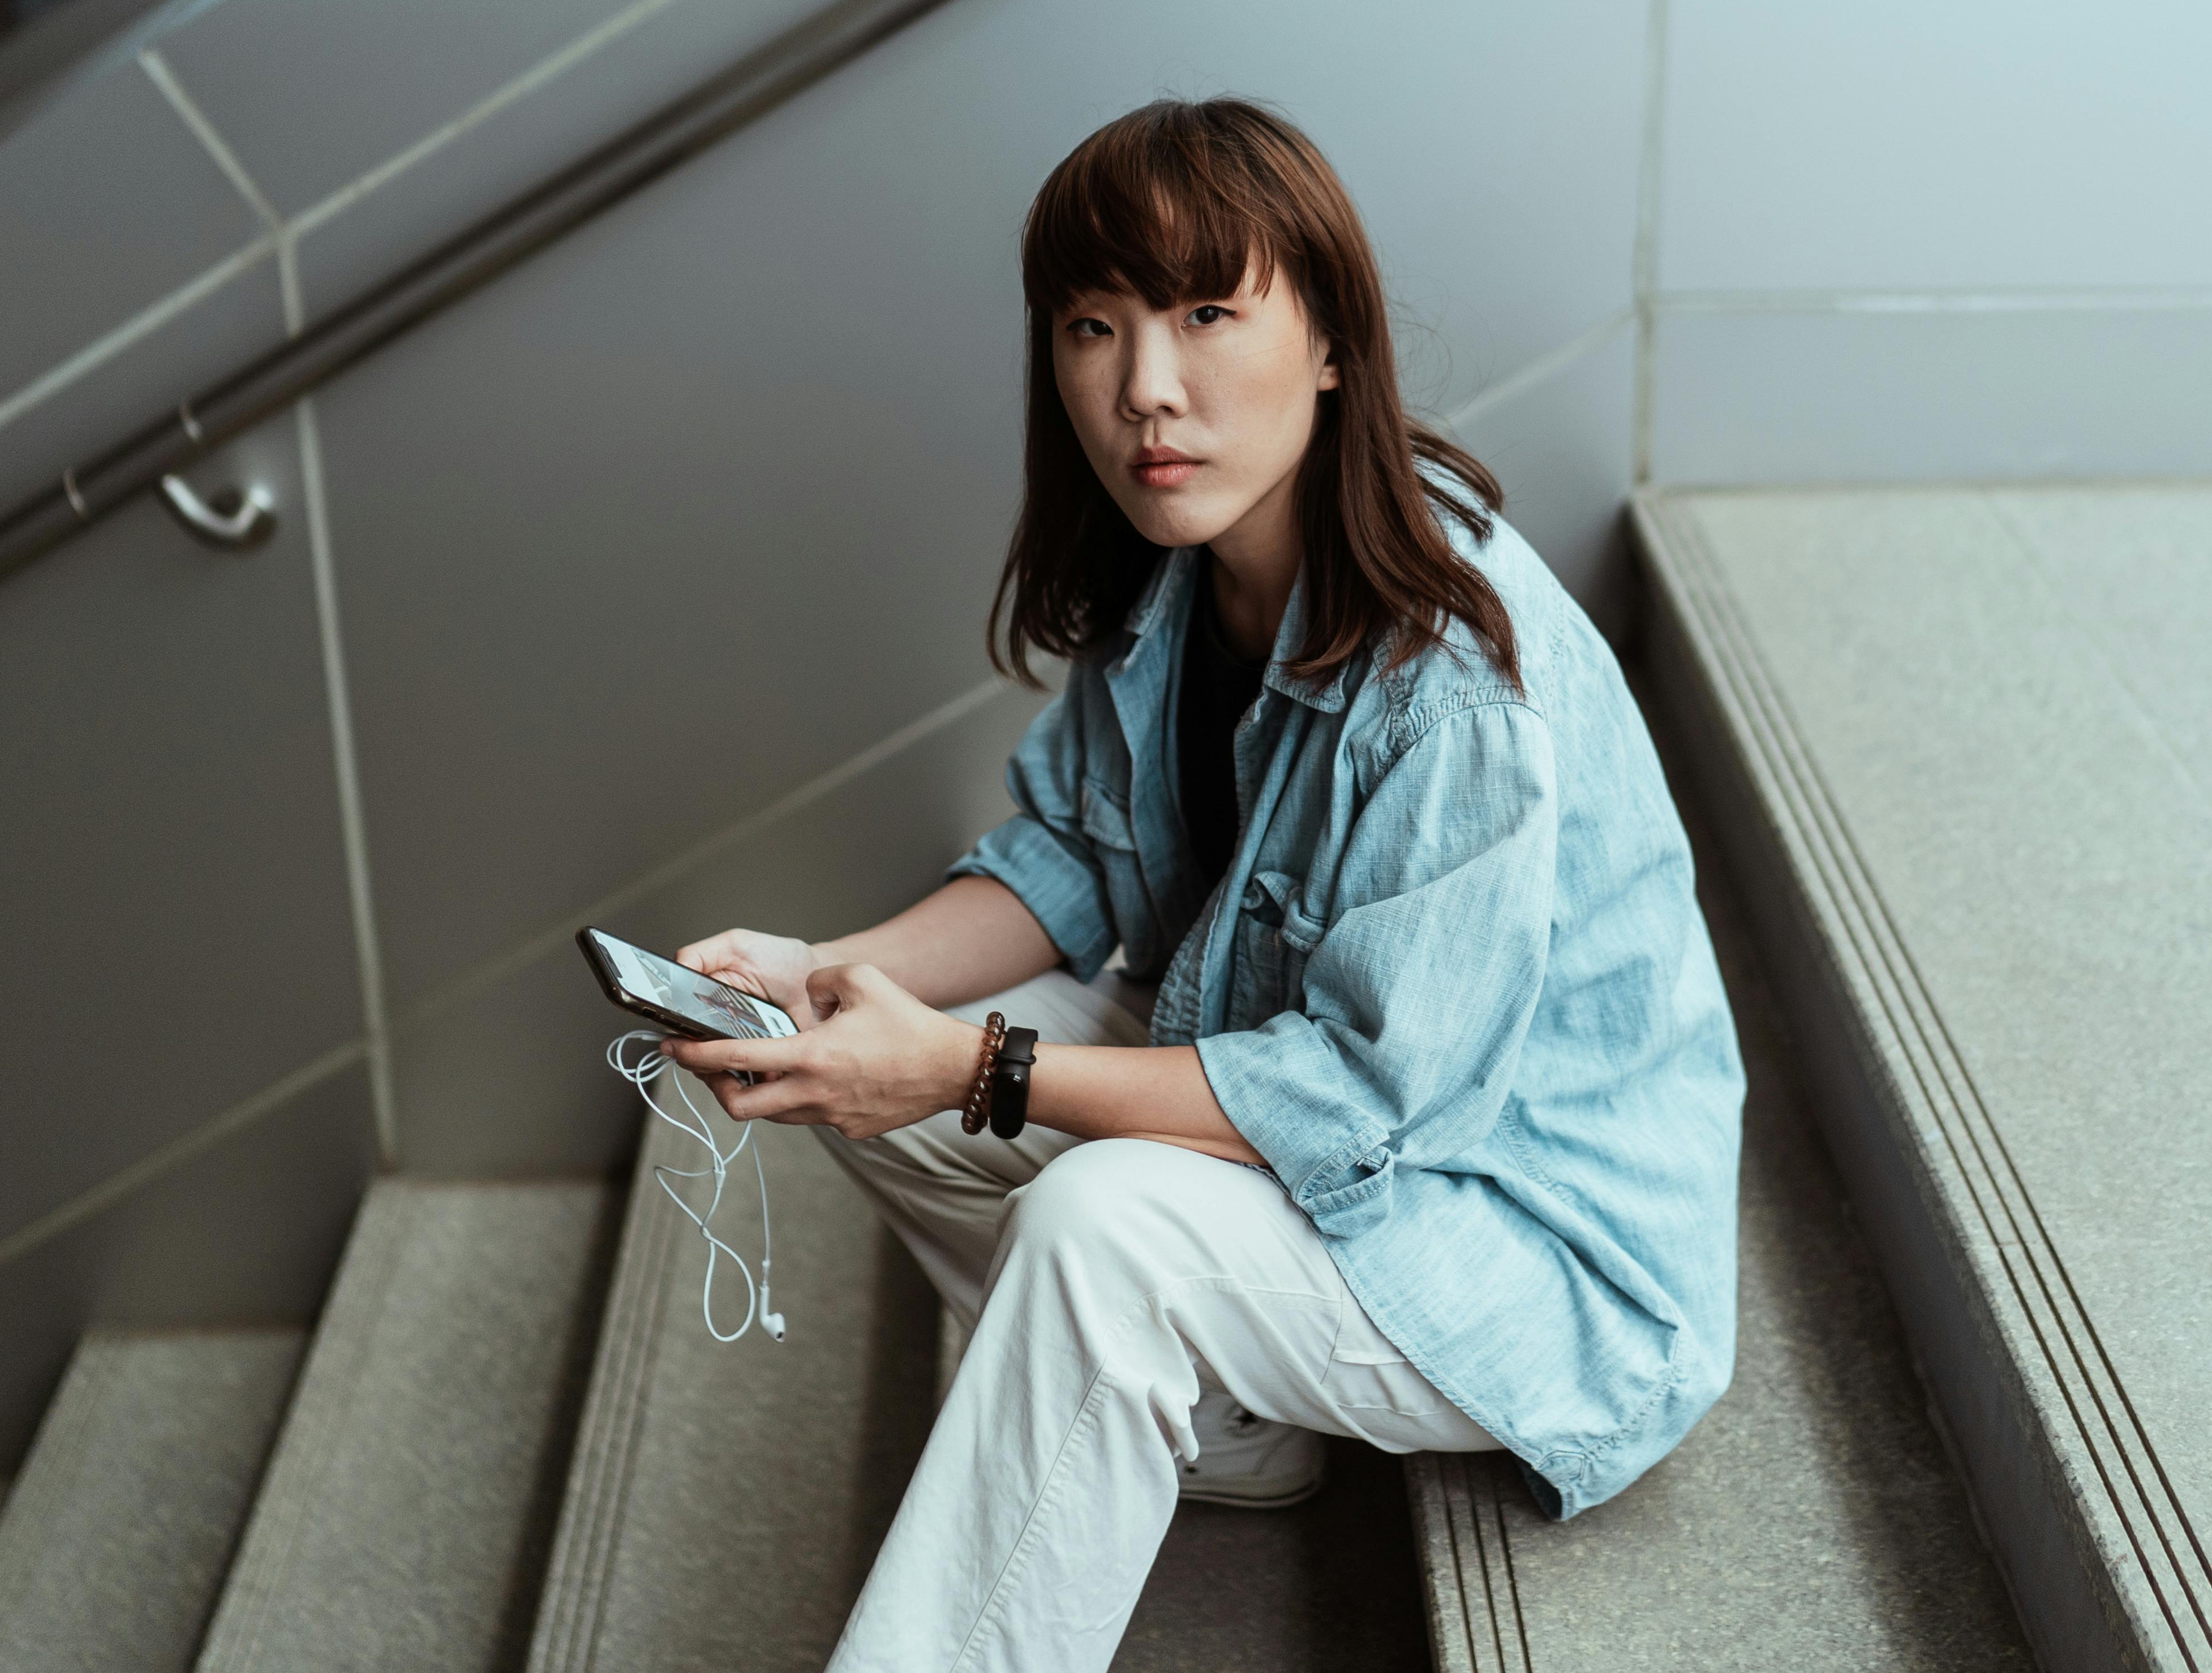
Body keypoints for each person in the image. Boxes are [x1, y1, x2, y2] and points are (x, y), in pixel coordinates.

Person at [665, 98, 1743, 1673]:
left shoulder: (1450, 689)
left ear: (1330, 344)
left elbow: (1365, 1102)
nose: (1143, 388)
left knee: (1093, 1213)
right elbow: (1073, 858)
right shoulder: (1191, 569)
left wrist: (972, 1068)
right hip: (1323, 1130)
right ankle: (1229, 1430)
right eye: (1094, 326)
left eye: (1203, 314)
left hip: (1515, 1233)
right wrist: (822, 972)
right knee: (868, 1054)